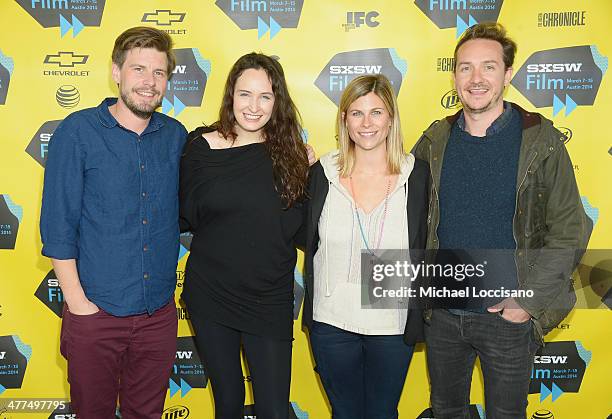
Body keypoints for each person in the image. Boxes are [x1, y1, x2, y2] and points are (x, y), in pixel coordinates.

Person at [411, 23, 593, 418]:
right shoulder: (434, 140)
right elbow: (393, 192)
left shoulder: (539, 140)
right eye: (465, 68)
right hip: (442, 316)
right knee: (445, 410)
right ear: (455, 74)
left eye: (488, 67)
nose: (476, 79)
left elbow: (570, 229)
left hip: (508, 319)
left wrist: (528, 301)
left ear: (507, 75)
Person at [40, 27, 187, 418]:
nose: (148, 82)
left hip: (157, 314)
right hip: (96, 314)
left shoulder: (176, 136)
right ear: (116, 72)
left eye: (159, 73)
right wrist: (79, 306)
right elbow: (57, 227)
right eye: (138, 69)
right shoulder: (77, 132)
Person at [179, 53, 312, 419]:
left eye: (265, 97)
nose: (253, 107)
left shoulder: (293, 156)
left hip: (268, 297)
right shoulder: (199, 149)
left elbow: (304, 228)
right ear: (230, 96)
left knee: (273, 408)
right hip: (210, 294)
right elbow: (183, 216)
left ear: (277, 101)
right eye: (245, 94)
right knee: (228, 400)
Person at [301, 75, 429, 419]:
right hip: (331, 320)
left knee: (383, 413)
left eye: (376, 112)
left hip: (391, 321)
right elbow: (299, 234)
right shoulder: (321, 173)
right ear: (344, 119)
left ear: (391, 118)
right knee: (344, 412)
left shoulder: (417, 175)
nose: (367, 123)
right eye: (356, 113)